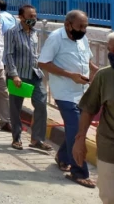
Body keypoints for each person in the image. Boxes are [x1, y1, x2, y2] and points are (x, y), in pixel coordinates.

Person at [39, 10, 99, 188]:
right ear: (67, 25)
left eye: (85, 26)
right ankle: (79, 172)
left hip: (82, 92)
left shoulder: (82, 38)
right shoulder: (56, 38)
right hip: (64, 93)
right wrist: (69, 75)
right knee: (77, 131)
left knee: (76, 129)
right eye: (80, 26)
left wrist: (96, 70)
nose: (83, 30)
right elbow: (43, 62)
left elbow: (86, 59)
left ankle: (63, 156)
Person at [75, 30, 114, 203]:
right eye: (109, 51)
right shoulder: (104, 76)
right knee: (113, 197)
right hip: (113, 148)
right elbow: (88, 108)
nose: (111, 56)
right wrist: (80, 139)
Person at [3, 4, 51, 151]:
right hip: (18, 76)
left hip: (35, 74)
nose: (33, 19)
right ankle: (16, 138)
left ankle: (37, 139)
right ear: (21, 17)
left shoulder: (35, 33)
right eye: (30, 16)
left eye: (34, 16)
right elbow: (8, 55)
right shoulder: (12, 32)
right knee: (16, 108)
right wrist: (14, 75)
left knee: (41, 104)